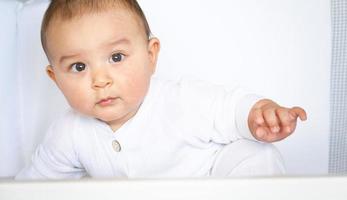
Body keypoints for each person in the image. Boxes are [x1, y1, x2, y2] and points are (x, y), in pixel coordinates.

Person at [16, 0, 307, 179]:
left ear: (151, 55)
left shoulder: (180, 100)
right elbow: (34, 186)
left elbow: (229, 108)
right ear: (55, 78)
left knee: (256, 154)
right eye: (79, 67)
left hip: (213, 184)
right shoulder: (69, 133)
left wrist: (258, 113)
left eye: (116, 57)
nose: (100, 80)